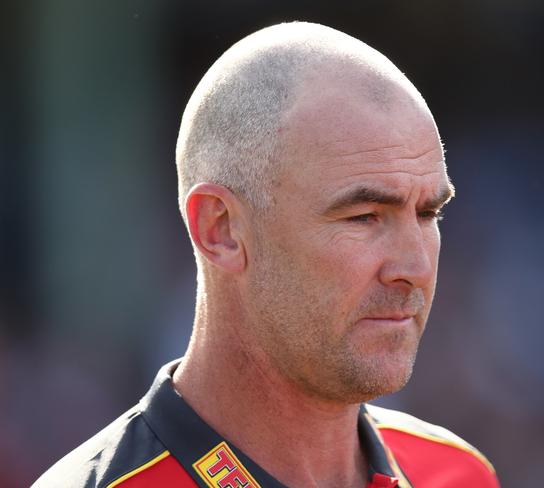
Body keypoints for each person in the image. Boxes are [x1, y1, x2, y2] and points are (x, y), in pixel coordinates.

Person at [34, 22, 500, 488]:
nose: (415, 269)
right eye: (363, 216)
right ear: (220, 229)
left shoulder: (457, 473)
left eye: (427, 213)